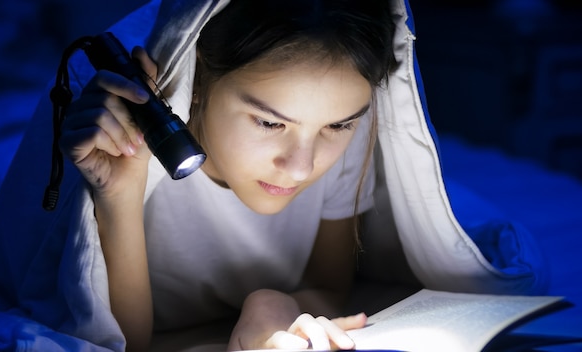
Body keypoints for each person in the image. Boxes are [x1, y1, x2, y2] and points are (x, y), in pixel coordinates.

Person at [59, 0, 397, 350]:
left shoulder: (346, 125)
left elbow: (331, 288)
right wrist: (120, 193)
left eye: (339, 125)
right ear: (201, 79)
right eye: (269, 122)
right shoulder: (135, 154)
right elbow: (123, 344)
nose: (302, 167)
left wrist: (272, 305)